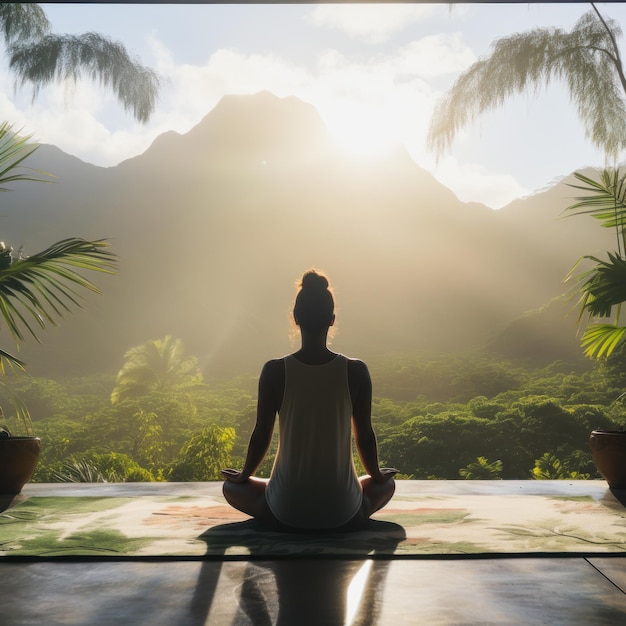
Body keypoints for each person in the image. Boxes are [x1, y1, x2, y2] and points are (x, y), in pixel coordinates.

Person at [221, 269, 397, 532]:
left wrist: (245, 475)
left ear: (295, 318)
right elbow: (365, 438)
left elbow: (261, 437)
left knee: (230, 487)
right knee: (387, 485)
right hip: (343, 512)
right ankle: (348, 507)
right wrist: (377, 475)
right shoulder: (356, 371)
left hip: (285, 510)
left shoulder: (274, 371)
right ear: (332, 320)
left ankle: (281, 508)